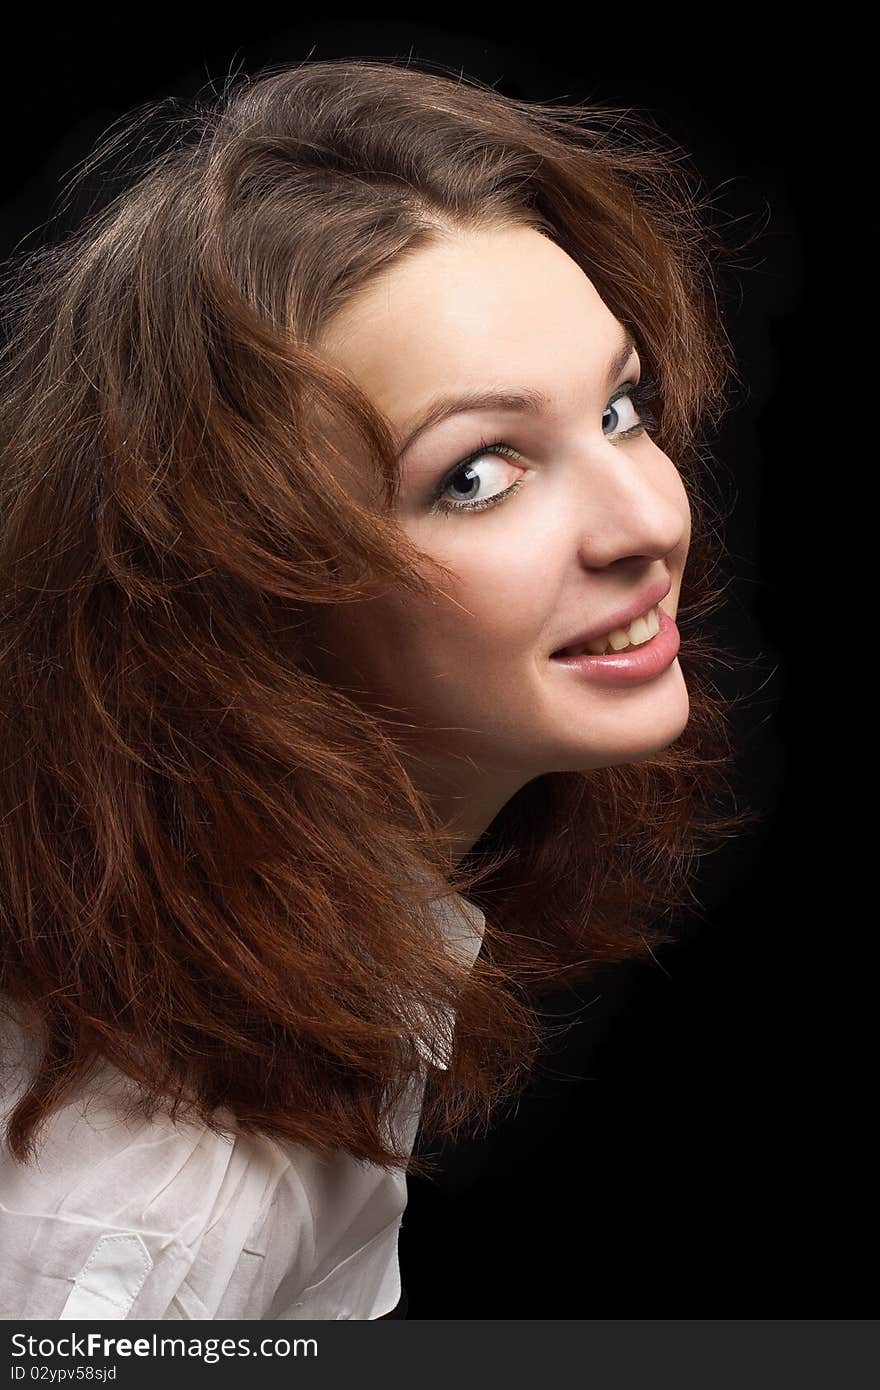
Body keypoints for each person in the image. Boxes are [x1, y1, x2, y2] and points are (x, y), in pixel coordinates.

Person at [0, 56, 756, 1320]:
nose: (646, 521)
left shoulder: (297, 955)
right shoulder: (150, 1221)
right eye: (475, 474)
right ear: (242, 589)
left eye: (620, 409)